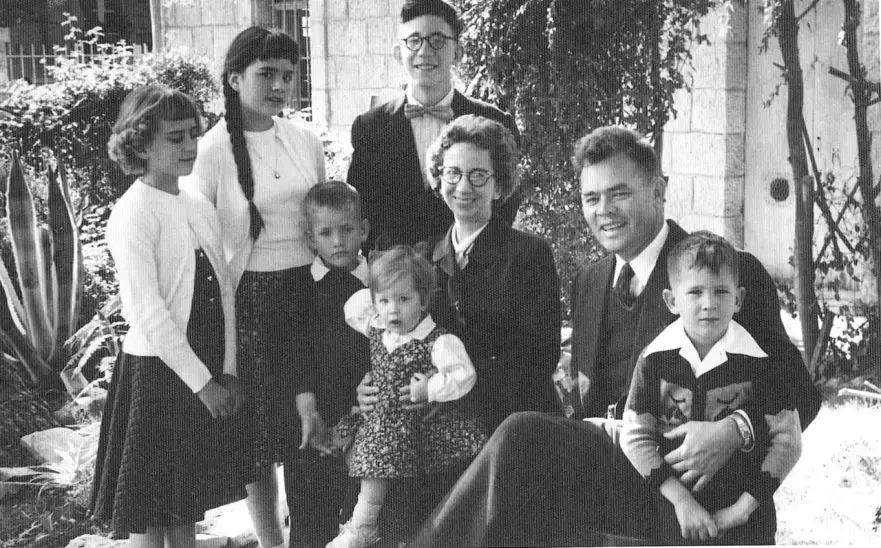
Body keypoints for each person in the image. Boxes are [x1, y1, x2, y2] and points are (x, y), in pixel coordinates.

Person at [408, 125, 821, 546]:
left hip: (701, 498)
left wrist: (736, 429)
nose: (604, 210)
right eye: (591, 198)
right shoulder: (589, 282)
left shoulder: (721, 275)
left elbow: (801, 392)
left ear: (658, 190)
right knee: (519, 490)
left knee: (521, 435)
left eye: (619, 193)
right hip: (615, 488)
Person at [181, 27, 326, 548]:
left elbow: (323, 218)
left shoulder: (305, 140)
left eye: (287, 75)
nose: (279, 86)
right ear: (235, 78)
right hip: (250, 306)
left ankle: (312, 536)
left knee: (314, 423)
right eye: (266, 74)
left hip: (311, 296)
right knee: (259, 438)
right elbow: (198, 243)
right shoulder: (210, 152)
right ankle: (271, 542)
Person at [91, 85, 247, 548]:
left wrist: (228, 371)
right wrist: (203, 384)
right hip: (158, 376)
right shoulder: (133, 213)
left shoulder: (197, 204)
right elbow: (148, 314)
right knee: (150, 514)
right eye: (174, 138)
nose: (189, 146)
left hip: (203, 369)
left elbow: (224, 292)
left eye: (192, 134)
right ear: (141, 144)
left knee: (183, 508)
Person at [621, 231, 794, 545]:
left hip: (747, 525)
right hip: (674, 519)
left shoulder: (761, 363)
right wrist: (681, 501)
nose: (709, 304)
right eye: (695, 292)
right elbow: (635, 437)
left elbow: (787, 442)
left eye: (721, 291)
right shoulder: (654, 359)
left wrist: (741, 510)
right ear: (671, 301)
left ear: (738, 299)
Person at [328, 245, 487, 548]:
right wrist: (373, 279)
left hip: (415, 431)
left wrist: (430, 388)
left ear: (423, 300)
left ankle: (364, 526)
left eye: (403, 299)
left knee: (400, 493)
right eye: (384, 301)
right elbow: (353, 308)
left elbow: (464, 374)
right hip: (381, 425)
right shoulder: (378, 328)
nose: (393, 310)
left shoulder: (436, 341)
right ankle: (362, 525)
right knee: (363, 461)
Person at [347, 0, 520, 254]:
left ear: (457, 52)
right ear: (398, 53)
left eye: (437, 40)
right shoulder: (370, 127)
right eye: (414, 40)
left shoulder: (495, 121)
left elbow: (506, 202)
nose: (425, 51)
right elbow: (362, 208)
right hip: (397, 271)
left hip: (474, 267)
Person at [283, 180, 371, 547]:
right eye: (326, 233)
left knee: (364, 521)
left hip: (367, 422)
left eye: (347, 230)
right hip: (314, 423)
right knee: (310, 524)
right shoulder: (300, 288)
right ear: (310, 238)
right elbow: (294, 356)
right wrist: (308, 410)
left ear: (363, 229)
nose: (338, 241)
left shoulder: (379, 284)